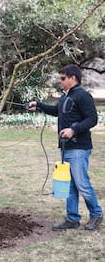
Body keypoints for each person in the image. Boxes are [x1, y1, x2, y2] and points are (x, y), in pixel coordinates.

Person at [29, 64, 103, 231]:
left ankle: (96, 214)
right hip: (66, 147)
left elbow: (92, 119)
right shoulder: (65, 96)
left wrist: (73, 130)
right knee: (70, 185)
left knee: (82, 183)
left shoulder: (83, 95)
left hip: (79, 148)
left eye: (63, 79)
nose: (60, 82)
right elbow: (57, 111)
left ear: (73, 78)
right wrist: (39, 105)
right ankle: (72, 219)